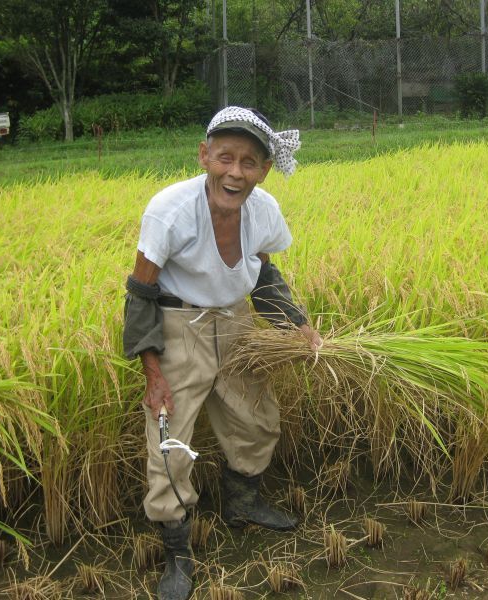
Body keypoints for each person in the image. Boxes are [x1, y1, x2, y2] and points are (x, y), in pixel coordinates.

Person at [123, 106, 321, 600]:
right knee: (169, 440)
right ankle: (177, 552)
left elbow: (264, 275)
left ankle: (242, 504)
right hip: (177, 325)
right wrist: (153, 373)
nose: (235, 172)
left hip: (235, 324)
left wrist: (298, 326)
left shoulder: (264, 211)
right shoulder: (170, 210)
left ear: (264, 170)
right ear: (205, 155)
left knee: (256, 417)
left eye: (249, 162)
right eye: (225, 158)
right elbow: (140, 292)